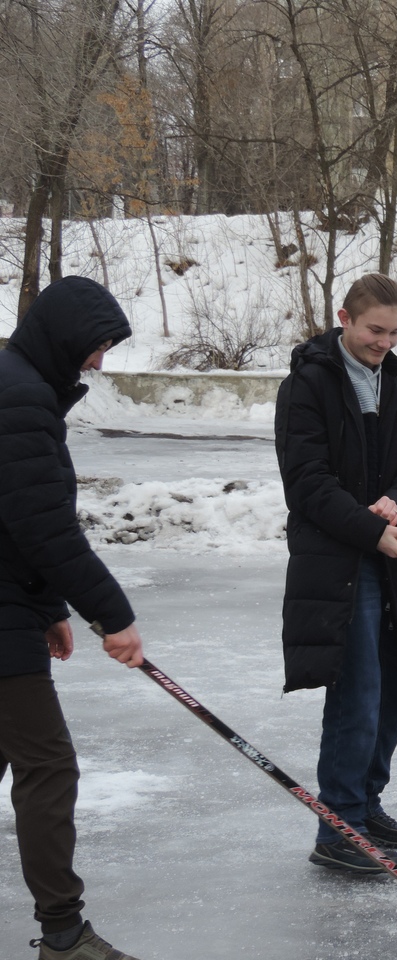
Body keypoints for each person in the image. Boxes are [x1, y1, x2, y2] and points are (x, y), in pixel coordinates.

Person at [1, 277, 146, 960]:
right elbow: (46, 530)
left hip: (11, 606)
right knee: (48, 766)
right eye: (95, 348)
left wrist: (48, 607)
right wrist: (111, 616)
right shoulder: (22, 400)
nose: (99, 362)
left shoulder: (19, 385)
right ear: (63, 338)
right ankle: (63, 935)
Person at [275, 273, 397, 874]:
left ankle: (365, 806)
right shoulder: (308, 383)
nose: (384, 343)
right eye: (375, 330)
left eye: (395, 332)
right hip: (338, 560)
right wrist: (372, 530)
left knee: (396, 680)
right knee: (359, 689)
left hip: (389, 550)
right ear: (344, 317)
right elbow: (307, 485)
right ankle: (338, 824)